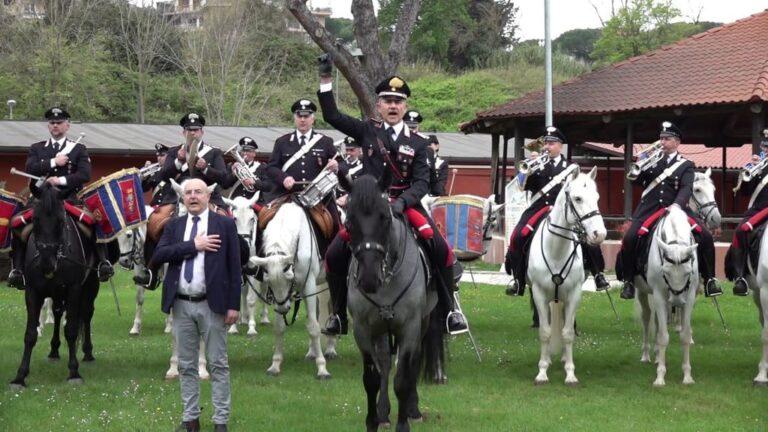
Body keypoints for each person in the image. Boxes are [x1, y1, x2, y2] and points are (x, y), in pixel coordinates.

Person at [316, 54, 468, 335]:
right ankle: (338, 314)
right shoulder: (366, 131)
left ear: (405, 106)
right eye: (388, 101)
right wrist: (326, 80)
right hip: (370, 208)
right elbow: (332, 116)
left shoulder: (420, 144)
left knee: (440, 249)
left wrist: (401, 203)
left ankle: (450, 311)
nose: (393, 106)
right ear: (379, 106)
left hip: (405, 205)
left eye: (398, 102)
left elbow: (422, 183)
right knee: (335, 253)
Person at [152, 178, 241, 432]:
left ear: (207, 196)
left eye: (198, 192)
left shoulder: (224, 224)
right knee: (186, 365)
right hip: (181, 305)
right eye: (188, 192)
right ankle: (191, 419)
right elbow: (159, 255)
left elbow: (234, 267)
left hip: (213, 305)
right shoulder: (175, 225)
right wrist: (194, 245)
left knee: (218, 364)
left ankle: (220, 421)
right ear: (183, 197)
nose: (192, 196)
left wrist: (233, 305)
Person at [8, 107, 113, 289]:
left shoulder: (79, 149)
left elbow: (84, 174)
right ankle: (17, 270)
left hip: (69, 199)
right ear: (48, 126)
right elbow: (31, 168)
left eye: (59, 122)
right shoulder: (37, 148)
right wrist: (53, 162)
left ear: (67, 125)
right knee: (17, 224)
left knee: (94, 222)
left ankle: (102, 262)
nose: (55, 125)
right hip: (41, 201)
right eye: (52, 123)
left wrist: (61, 179)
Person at [619, 121, 722, 300]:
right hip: (650, 208)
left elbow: (686, 187)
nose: (662, 142)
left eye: (667, 139)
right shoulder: (652, 160)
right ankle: (629, 280)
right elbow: (636, 180)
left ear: (677, 142)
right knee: (630, 237)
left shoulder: (686, 165)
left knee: (705, 236)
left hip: (677, 208)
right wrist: (638, 166)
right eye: (661, 139)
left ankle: (709, 279)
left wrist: (677, 205)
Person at [503, 126, 609, 296]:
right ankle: (518, 279)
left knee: (587, 237)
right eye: (545, 143)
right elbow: (521, 187)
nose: (546, 146)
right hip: (538, 209)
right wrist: (528, 168)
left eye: (551, 143)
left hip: (564, 211)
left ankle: (598, 274)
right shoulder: (536, 165)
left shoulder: (571, 168)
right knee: (517, 236)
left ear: (560, 146)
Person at [136, 113, 229, 289]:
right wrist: (178, 161)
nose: (192, 133)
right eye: (188, 130)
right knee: (153, 223)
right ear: (183, 132)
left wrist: (206, 168)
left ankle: (234, 267)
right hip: (177, 197)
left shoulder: (214, 152)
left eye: (195, 130)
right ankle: (151, 271)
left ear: (202, 131)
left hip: (208, 196)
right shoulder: (173, 152)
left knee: (228, 222)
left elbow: (224, 179)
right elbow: (162, 176)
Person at [263, 99, 343, 237]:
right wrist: (284, 178)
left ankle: (333, 258)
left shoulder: (325, 141)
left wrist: (336, 166)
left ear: (313, 119)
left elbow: (341, 165)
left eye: (306, 116)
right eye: (299, 116)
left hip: (319, 197)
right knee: (264, 221)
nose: (303, 119)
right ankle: (261, 254)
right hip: (288, 195)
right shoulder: (282, 142)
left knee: (336, 225)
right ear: (295, 118)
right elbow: (271, 167)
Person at [726, 131, 768, 296]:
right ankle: (740, 277)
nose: (765, 150)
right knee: (740, 231)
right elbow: (744, 192)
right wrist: (747, 174)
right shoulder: (757, 167)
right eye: (764, 147)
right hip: (758, 209)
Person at [335, 136, 364, 209]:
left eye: (352, 150)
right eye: (347, 150)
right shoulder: (339, 165)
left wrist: (348, 197)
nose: (348, 153)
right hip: (338, 202)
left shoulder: (364, 166)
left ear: (359, 150)